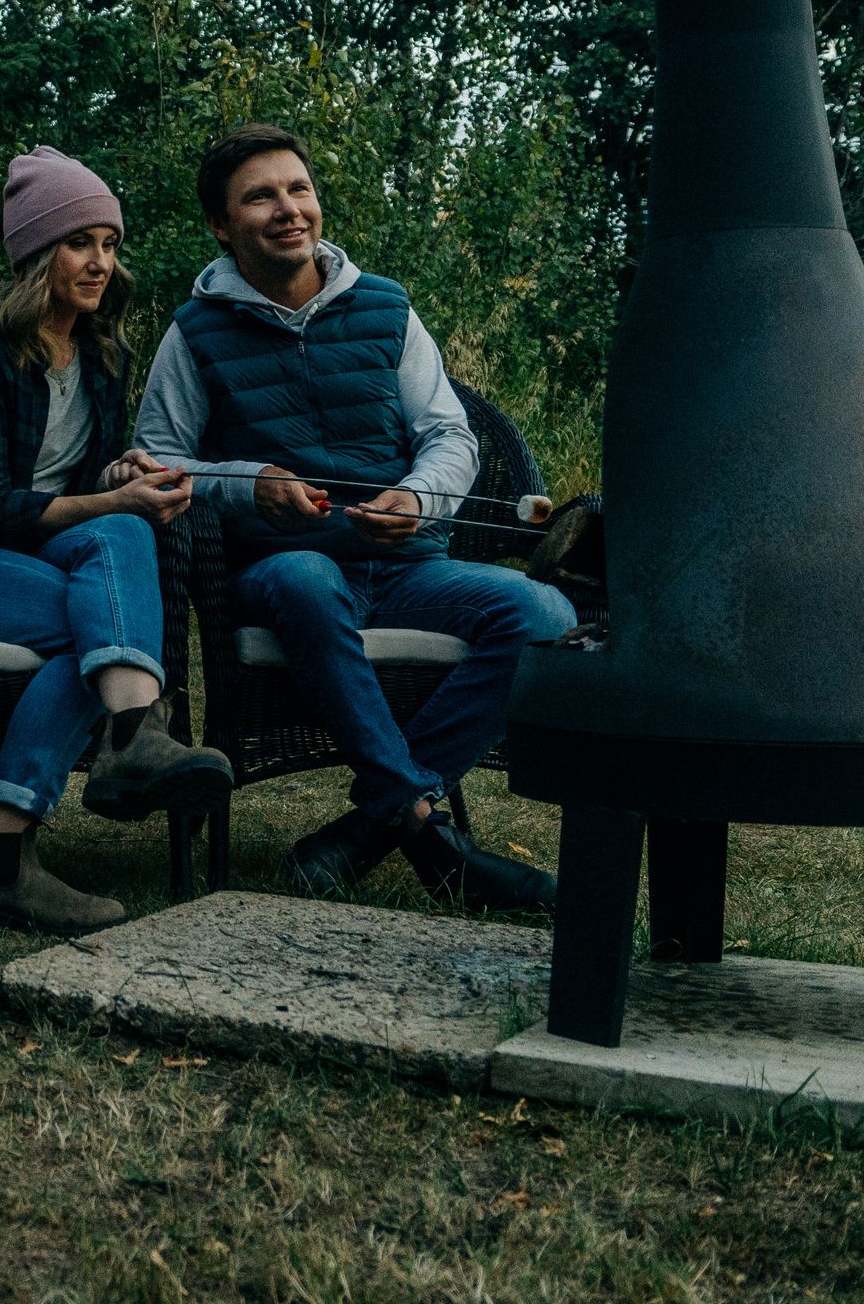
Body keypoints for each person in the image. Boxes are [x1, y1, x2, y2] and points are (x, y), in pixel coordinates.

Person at [134, 122, 571, 913]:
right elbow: (156, 462)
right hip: (283, 572)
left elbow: (449, 435)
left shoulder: (386, 307)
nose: (288, 209)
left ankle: (379, 825)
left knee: (545, 613)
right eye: (260, 196)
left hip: (408, 569)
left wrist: (418, 498)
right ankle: (431, 837)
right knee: (308, 575)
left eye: (298, 188)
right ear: (222, 224)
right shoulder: (193, 331)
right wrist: (250, 483)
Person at [0, 148, 237, 935]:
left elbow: (75, 478)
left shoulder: (102, 355)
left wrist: (121, 472)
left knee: (117, 550)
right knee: (95, 616)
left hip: (28, 556)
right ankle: (126, 736)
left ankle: (10, 849)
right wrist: (112, 497)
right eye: (80, 242)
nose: (100, 261)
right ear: (37, 253)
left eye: (109, 243)